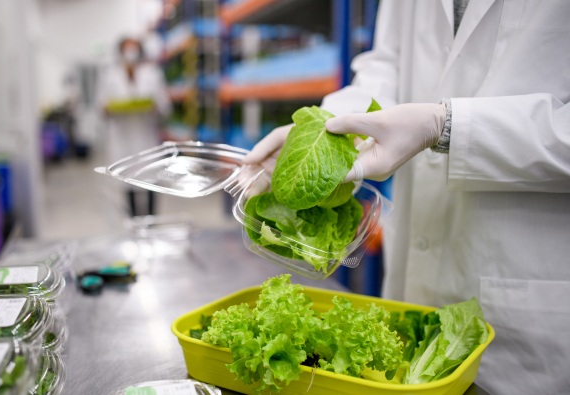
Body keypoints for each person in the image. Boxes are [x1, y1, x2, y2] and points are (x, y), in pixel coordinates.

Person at [243, 2, 570, 394]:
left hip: (524, 299)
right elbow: (386, 65)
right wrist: (324, 132)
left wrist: (446, 127)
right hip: (414, 268)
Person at [99, 37, 171, 216]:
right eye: (127, 49)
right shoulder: (109, 75)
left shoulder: (152, 73)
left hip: (146, 135)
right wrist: (109, 108)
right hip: (122, 136)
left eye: (134, 48)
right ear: (120, 51)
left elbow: (164, 106)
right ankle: (134, 221)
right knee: (127, 180)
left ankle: (151, 221)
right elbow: (100, 107)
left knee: (151, 179)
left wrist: (154, 106)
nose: (130, 53)